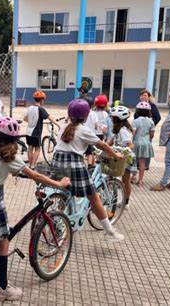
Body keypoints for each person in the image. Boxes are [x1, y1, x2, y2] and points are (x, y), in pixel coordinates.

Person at [0, 117, 71, 302]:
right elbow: (35, 175)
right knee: (3, 242)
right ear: (14, 140)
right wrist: (59, 183)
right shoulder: (11, 158)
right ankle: (2, 288)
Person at [53, 99, 125, 242]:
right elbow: (102, 145)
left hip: (57, 162)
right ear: (86, 116)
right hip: (73, 164)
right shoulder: (84, 130)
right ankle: (109, 231)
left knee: (64, 191)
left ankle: (58, 220)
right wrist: (115, 154)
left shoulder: (64, 127)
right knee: (94, 197)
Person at [107, 105, 136, 209]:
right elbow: (108, 143)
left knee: (125, 180)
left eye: (112, 117)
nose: (111, 119)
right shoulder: (118, 130)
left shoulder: (123, 131)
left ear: (117, 119)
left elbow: (131, 145)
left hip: (126, 158)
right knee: (113, 177)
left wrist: (126, 151)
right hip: (117, 157)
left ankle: (126, 202)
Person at [24, 90, 60, 168]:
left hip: (28, 131)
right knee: (37, 149)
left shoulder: (30, 107)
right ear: (41, 100)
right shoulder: (41, 109)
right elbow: (50, 118)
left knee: (30, 148)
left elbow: (25, 118)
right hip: (36, 132)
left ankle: (30, 165)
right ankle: (33, 166)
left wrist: (32, 121)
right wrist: (58, 125)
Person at [134, 89, 161, 171]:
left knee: (146, 149)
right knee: (137, 149)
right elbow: (135, 116)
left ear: (149, 97)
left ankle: (145, 165)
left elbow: (157, 117)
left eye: (145, 95)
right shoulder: (138, 105)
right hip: (138, 130)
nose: (143, 97)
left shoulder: (152, 106)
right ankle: (137, 165)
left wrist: (150, 125)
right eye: (141, 95)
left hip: (147, 132)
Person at [131, 102, 155, 186]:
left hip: (136, 142)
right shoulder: (151, 121)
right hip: (146, 143)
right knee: (142, 162)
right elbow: (152, 135)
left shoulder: (135, 121)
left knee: (133, 161)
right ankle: (140, 180)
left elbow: (133, 133)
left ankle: (133, 177)